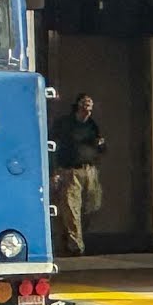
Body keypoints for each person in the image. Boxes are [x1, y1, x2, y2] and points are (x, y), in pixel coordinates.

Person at [50, 93, 106, 256]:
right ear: (78, 106)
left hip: (89, 170)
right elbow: (53, 147)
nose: (87, 108)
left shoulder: (92, 125)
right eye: (84, 104)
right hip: (70, 171)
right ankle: (76, 246)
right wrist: (54, 171)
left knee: (92, 205)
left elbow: (101, 147)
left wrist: (100, 145)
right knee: (71, 207)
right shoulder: (65, 124)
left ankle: (77, 237)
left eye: (90, 105)